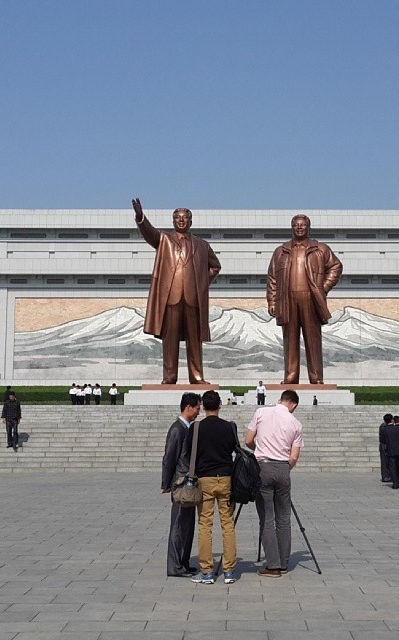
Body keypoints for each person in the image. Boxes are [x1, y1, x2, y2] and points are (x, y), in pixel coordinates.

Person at [133, 198, 222, 384]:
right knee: (170, 340)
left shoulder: (202, 245)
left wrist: (201, 283)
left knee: (195, 340)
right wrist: (141, 217)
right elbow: (149, 234)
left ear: (191, 221)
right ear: (173, 221)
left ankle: (197, 377)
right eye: (177, 218)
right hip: (171, 297)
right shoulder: (164, 239)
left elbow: (215, 266)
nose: (181, 220)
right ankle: (169, 377)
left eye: (185, 218)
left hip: (193, 298)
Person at [267, 214, 342, 384]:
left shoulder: (320, 249)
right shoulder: (281, 251)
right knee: (290, 339)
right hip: (287, 300)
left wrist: (324, 287)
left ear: (308, 227)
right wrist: (272, 301)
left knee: (313, 339)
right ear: (291, 227)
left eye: (303, 225)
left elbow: (336, 266)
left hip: (311, 298)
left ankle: (316, 378)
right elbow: (272, 277)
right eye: (296, 225)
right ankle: (291, 376)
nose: (299, 228)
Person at [245, 390, 304, 577]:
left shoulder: (261, 412)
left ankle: (273, 564)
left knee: (267, 518)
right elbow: (293, 457)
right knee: (284, 518)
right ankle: (284, 562)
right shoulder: (295, 423)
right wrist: (284, 466)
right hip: (283, 469)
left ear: (280, 400)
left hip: (263, 467)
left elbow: (248, 440)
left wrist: (260, 450)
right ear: (293, 405)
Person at [189, 391, 238, 585]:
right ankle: (229, 571)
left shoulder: (196, 427)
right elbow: (235, 449)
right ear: (220, 405)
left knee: (204, 524)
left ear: (202, 406)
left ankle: (207, 571)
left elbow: (188, 452)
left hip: (205, 479)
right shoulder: (229, 427)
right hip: (225, 478)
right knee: (228, 525)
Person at [161, 392, 201, 576]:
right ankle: (174, 566)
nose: (199, 411)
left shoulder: (187, 428)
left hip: (189, 483)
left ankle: (183, 562)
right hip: (180, 483)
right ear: (188, 407)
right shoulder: (177, 429)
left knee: (187, 524)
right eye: (197, 408)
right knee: (178, 525)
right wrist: (166, 483)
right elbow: (169, 457)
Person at [383, 414, 399, 489]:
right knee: (398, 467)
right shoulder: (398, 428)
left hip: (390, 450)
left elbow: (383, 440)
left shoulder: (384, 430)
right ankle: (398, 482)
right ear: (392, 420)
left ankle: (395, 482)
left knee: (392, 467)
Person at [378, 414, 391, 483]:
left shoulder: (385, 426)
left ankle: (388, 475)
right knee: (384, 462)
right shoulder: (383, 427)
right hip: (384, 447)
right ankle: (385, 476)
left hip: (387, 446)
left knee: (388, 462)